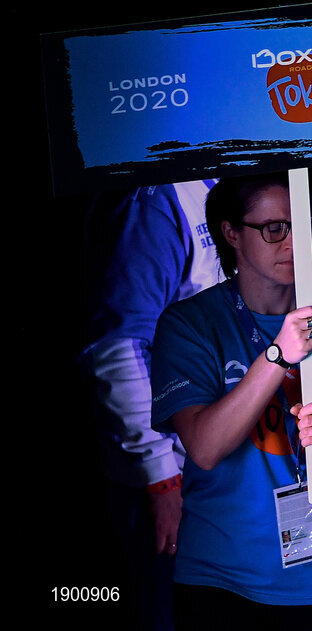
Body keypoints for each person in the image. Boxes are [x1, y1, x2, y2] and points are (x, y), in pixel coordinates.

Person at [150, 172, 312, 629]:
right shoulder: (189, 324)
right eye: (274, 229)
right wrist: (277, 356)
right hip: (222, 584)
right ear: (231, 233)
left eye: (303, 225)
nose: (293, 242)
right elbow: (205, 449)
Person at [79, 178, 221, 630]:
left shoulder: (225, 180)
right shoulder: (158, 200)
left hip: (212, 470)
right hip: (168, 481)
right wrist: (161, 478)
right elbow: (118, 347)